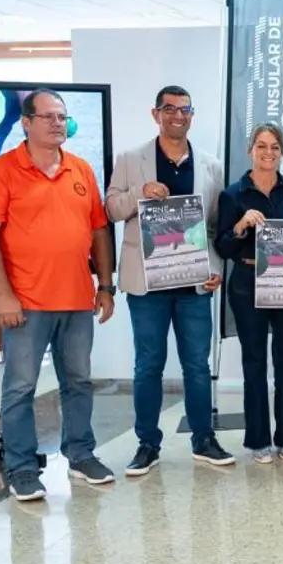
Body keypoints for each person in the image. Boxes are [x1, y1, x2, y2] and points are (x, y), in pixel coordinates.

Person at [0, 88, 116, 501]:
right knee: (20, 388)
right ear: (27, 122)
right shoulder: (3, 171)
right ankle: (21, 468)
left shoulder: (80, 170)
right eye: (50, 116)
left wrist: (104, 285)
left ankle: (81, 455)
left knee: (78, 382)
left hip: (76, 299)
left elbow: (98, 232)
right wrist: (3, 295)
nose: (59, 123)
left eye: (63, 117)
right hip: (26, 302)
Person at [106, 85, 233, 475]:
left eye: (185, 109)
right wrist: (139, 195)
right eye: (169, 109)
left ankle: (203, 439)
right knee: (148, 365)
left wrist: (214, 267)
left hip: (194, 284)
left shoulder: (210, 165)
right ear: (155, 113)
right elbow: (110, 209)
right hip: (148, 284)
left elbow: (214, 227)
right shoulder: (130, 160)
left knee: (197, 364)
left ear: (192, 115)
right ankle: (147, 443)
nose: (178, 115)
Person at [215, 123, 283, 464]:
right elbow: (222, 246)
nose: (268, 153)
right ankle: (258, 439)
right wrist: (240, 225)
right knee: (255, 362)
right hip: (247, 282)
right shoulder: (233, 195)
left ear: (282, 152)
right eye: (262, 146)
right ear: (251, 150)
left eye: (275, 147)